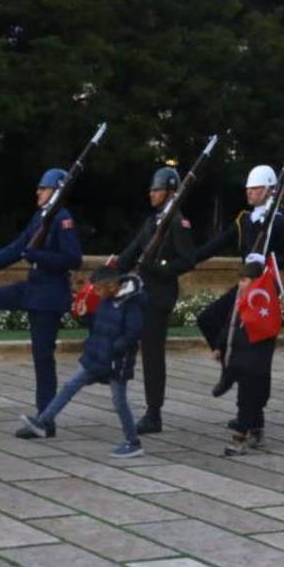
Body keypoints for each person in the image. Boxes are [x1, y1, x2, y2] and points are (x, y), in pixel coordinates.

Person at [0, 169, 83, 430]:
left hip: (49, 296)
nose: (38, 192)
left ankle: (45, 419)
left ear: (56, 191)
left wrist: (38, 256)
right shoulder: (41, 217)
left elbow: (73, 259)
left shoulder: (62, 219)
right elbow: (18, 248)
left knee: (42, 357)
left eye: (43, 189)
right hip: (33, 288)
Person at [193, 164, 284, 409]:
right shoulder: (245, 219)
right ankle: (229, 370)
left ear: (270, 190)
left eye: (256, 188)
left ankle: (252, 412)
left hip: (264, 291)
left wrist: (267, 259)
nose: (250, 193)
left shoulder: (280, 223)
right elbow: (217, 244)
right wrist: (190, 259)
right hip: (245, 287)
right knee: (208, 319)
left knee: (255, 352)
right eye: (248, 189)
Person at [16, 267, 145, 457]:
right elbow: (99, 324)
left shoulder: (130, 303)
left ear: (111, 286)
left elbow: (133, 333)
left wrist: (114, 348)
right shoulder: (107, 300)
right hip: (96, 354)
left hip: (116, 361)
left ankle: (133, 442)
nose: (97, 294)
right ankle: (43, 421)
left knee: (119, 402)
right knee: (70, 385)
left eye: (99, 289)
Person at [115, 166, 196, 435]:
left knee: (152, 355)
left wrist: (157, 268)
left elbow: (187, 260)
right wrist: (111, 270)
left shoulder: (177, 222)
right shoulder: (153, 221)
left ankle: (154, 412)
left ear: (171, 192)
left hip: (158, 296)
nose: (151, 194)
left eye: (157, 189)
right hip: (141, 293)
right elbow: (132, 252)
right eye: (151, 189)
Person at [215, 261, 279, 456]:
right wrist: (220, 346)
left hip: (255, 362)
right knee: (249, 399)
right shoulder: (241, 301)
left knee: (248, 400)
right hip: (240, 357)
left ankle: (240, 437)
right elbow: (229, 325)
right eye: (240, 280)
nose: (241, 285)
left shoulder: (264, 305)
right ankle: (257, 430)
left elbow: (265, 333)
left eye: (244, 280)